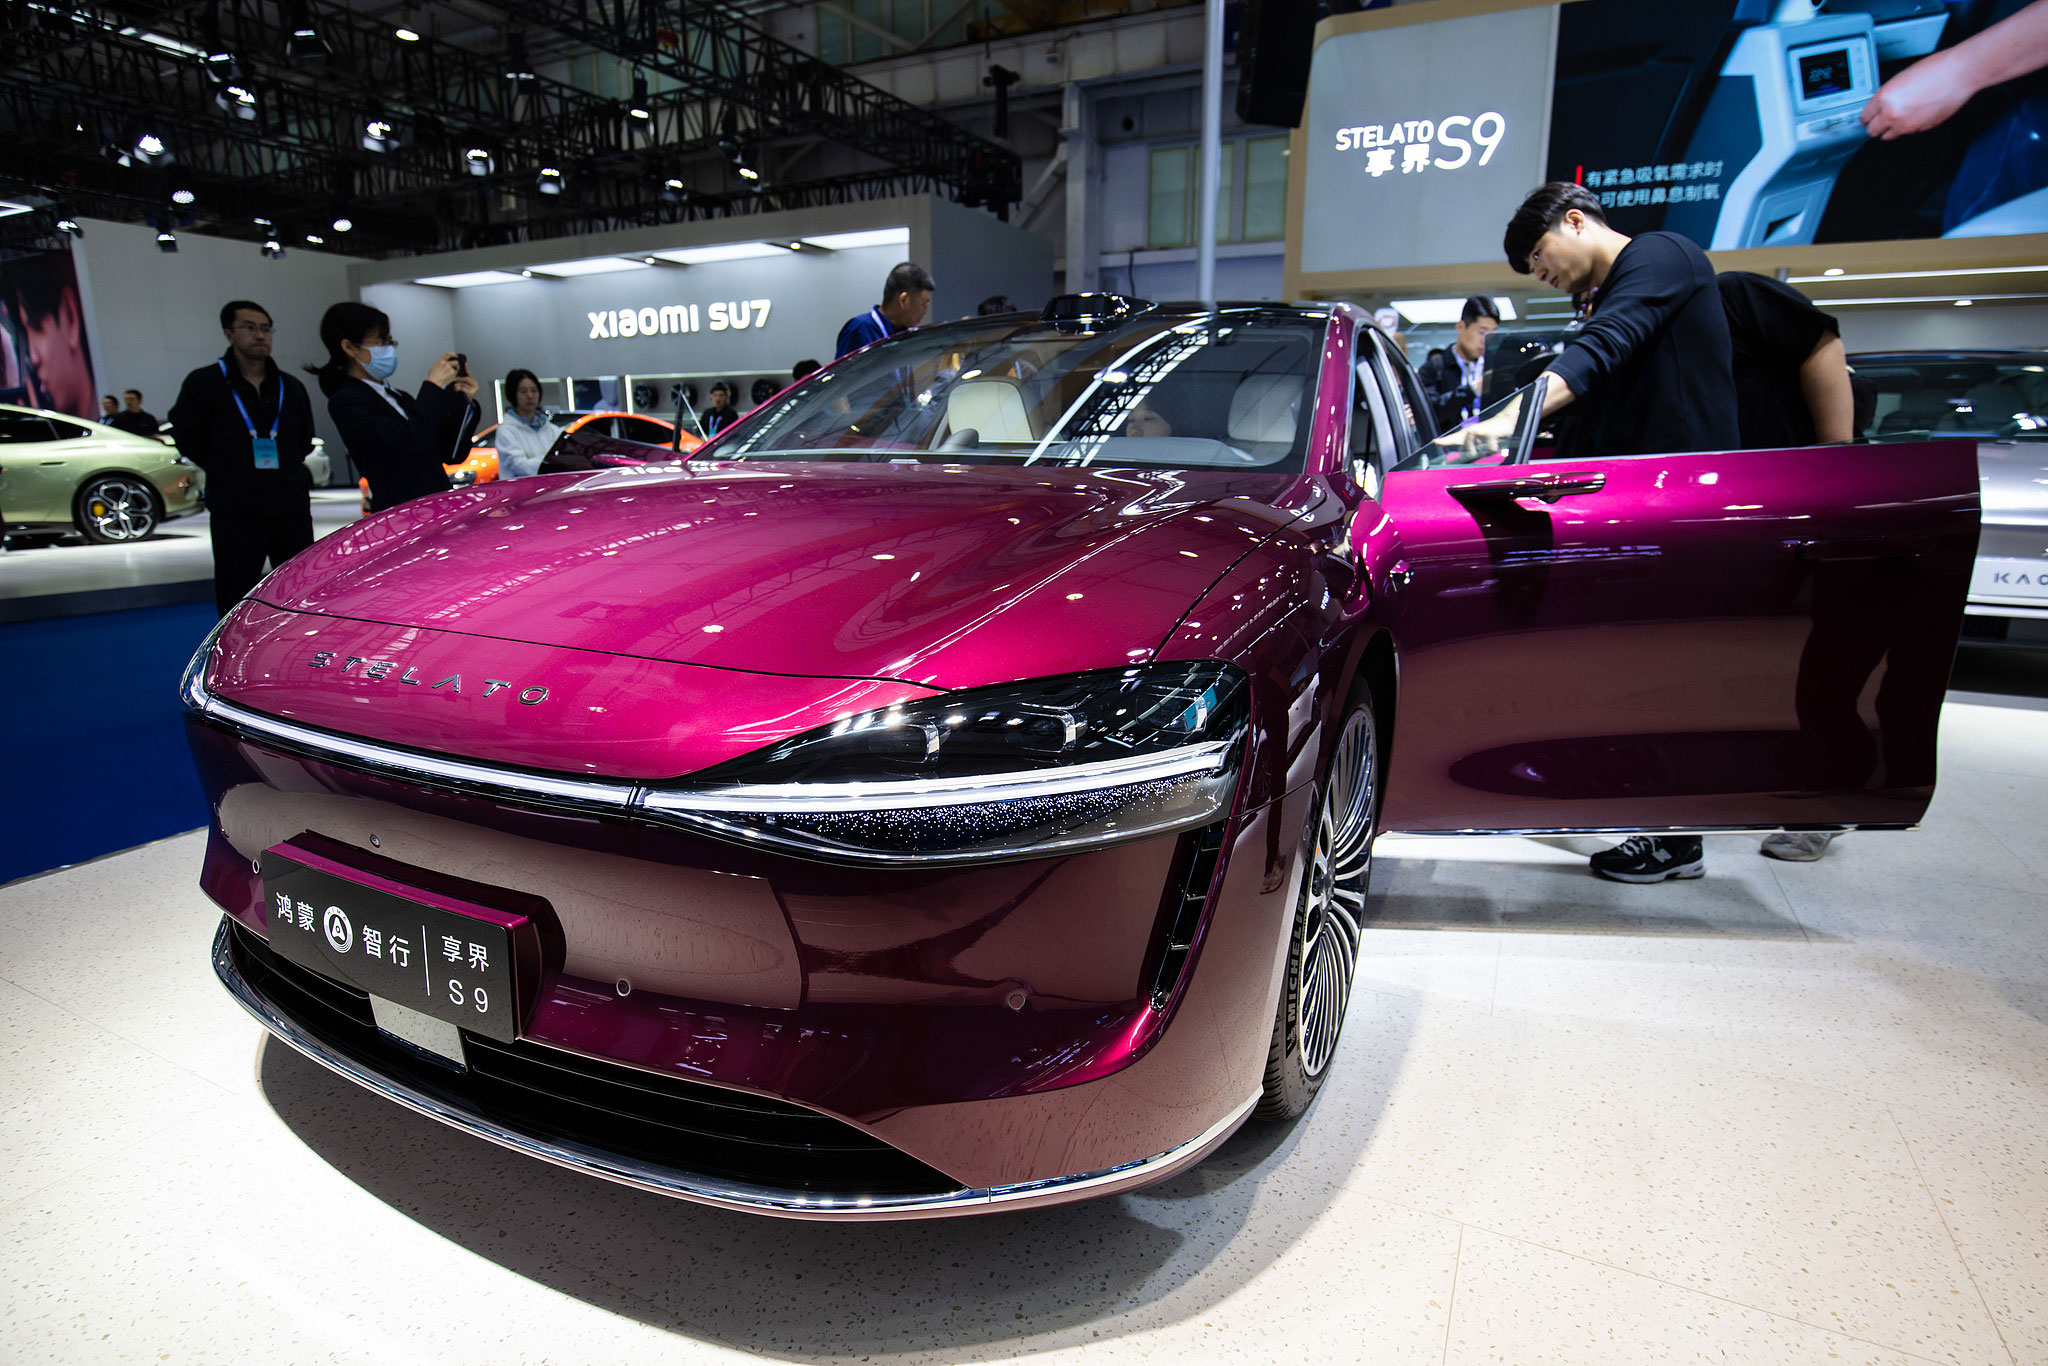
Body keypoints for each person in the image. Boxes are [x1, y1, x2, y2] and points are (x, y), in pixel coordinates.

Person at [1499, 182, 1739, 884]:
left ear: (1576, 221)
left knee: (1672, 675)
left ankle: (1677, 837)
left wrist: (1506, 426)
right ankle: (1644, 809)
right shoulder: (1612, 293)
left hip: (1686, 513)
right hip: (1644, 514)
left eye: (1540, 256)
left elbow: (1601, 352)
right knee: (1640, 669)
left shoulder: (1663, 255)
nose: (1540, 273)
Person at [168, 300, 318, 617]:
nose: (260, 335)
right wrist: (226, 468)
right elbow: (186, 434)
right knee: (235, 592)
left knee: (300, 590)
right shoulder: (204, 383)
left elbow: (304, 438)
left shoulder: (290, 387)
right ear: (229, 333)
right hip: (235, 508)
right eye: (249, 328)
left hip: (288, 504)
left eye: (265, 328)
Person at [308, 301, 476, 513]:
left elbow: (449, 453)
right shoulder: (347, 401)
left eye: (390, 342)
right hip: (401, 512)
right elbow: (407, 443)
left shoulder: (398, 397)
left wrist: (463, 401)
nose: (389, 349)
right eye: (381, 342)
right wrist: (433, 385)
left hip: (437, 504)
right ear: (349, 347)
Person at [1416, 296, 1500, 432]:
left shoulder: (1494, 366)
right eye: (1482, 332)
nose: (1486, 340)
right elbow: (1427, 413)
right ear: (1461, 326)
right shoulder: (1434, 368)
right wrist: (1473, 389)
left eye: (1493, 333)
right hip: (1446, 448)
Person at [834, 262, 935, 358]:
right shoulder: (860, 330)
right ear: (903, 300)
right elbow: (843, 375)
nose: (925, 312)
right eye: (924, 304)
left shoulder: (902, 334)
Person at [492, 368, 560, 480]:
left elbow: (562, 458)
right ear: (513, 395)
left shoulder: (552, 430)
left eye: (534, 390)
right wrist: (550, 462)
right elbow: (520, 466)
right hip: (520, 493)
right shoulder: (506, 431)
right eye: (523, 391)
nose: (530, 396)